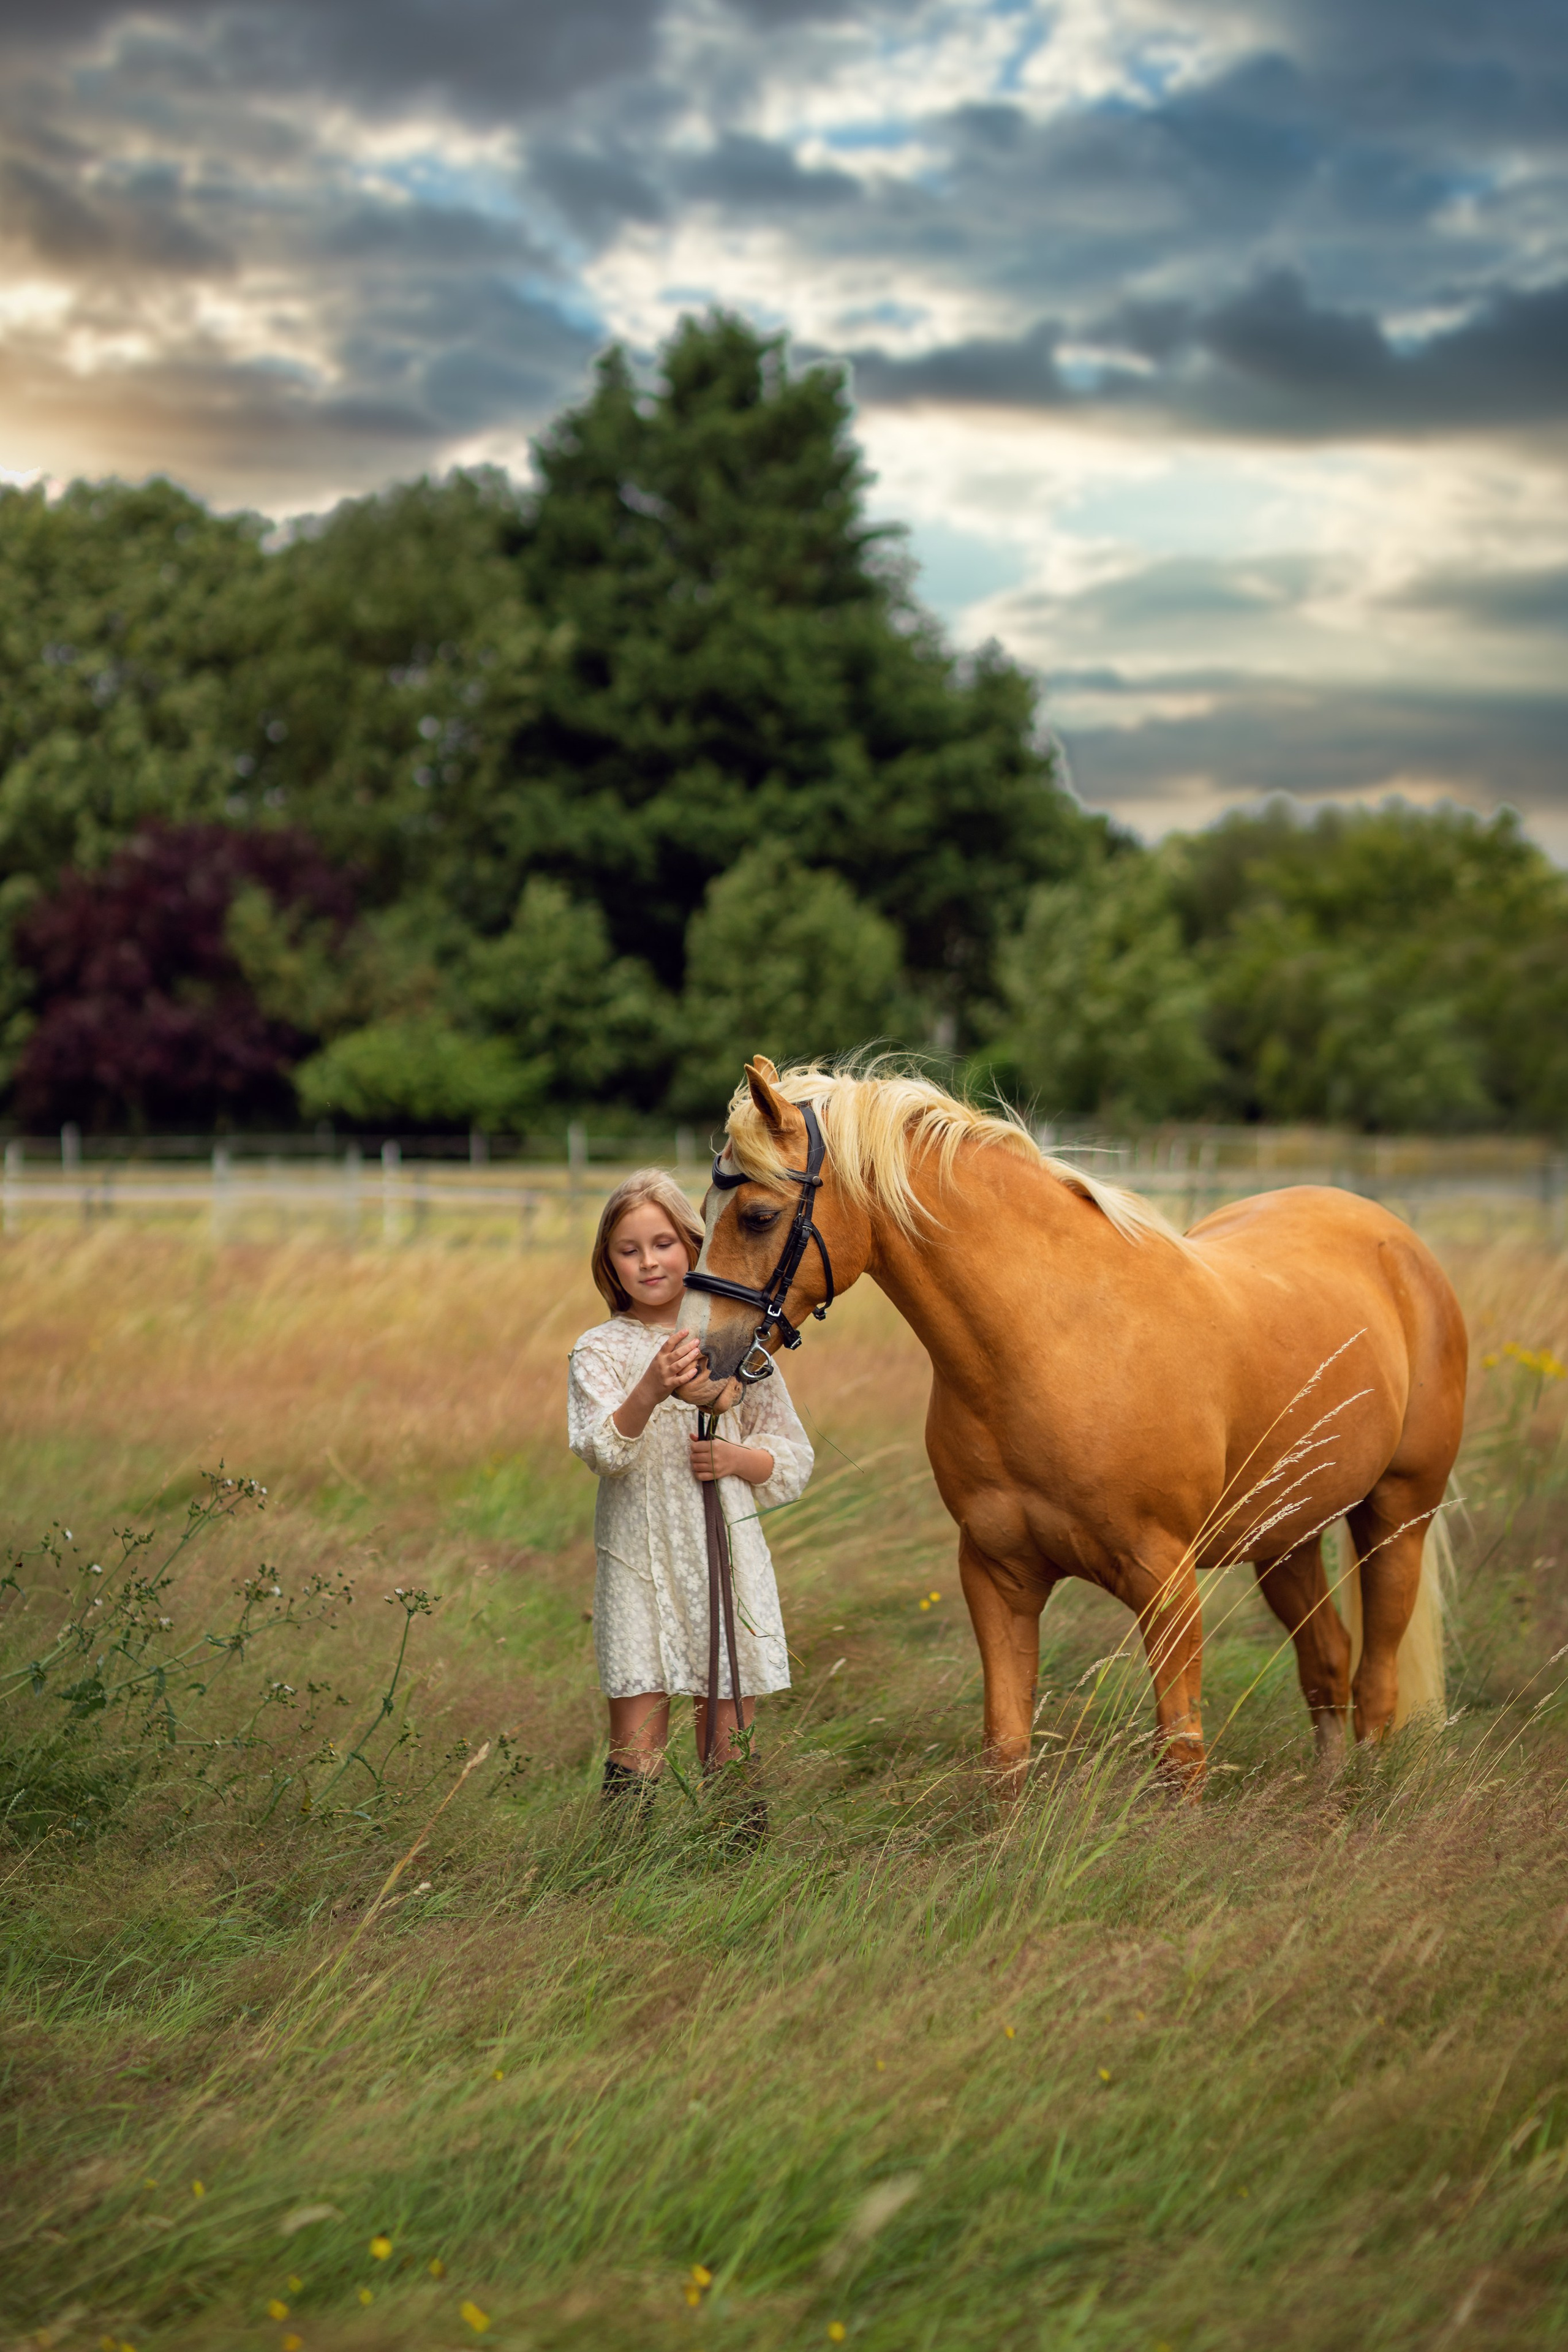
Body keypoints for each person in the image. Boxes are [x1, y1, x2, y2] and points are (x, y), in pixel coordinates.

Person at [568, 1167, 813, 1800]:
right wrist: (651, 1389)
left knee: (729, 1738)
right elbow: (603, 1452)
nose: (648, 1262)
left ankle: (733, 1849)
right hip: (638, 1562)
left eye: (663, 1244)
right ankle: (630, 1850)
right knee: (637, 1734)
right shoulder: (598, 1349)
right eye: (629, 1250)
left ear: (694, 1247)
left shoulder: (735, 1342)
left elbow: (792, 1458)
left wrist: (735, 1459)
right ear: (610, 1263)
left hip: (723, 1561)